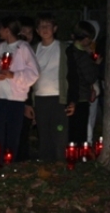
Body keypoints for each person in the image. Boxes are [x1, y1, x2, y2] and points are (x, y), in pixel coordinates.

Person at [0, 15, 40, 162]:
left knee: (13, 135)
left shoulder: (24, 48)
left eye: (0, 28)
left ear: (7, 30)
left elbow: (34, 72)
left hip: (15, 99)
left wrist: (13, 75)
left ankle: (11, 162)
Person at [28, 13, 71, 162]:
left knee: (60, 134)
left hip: (59, 98)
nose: (45, 29)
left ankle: (61, 164)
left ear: (55, 28)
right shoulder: (33, 50)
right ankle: (45, 165)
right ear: (37, 31)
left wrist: (72, 99)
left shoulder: (64, 48)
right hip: (40, 99)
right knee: (44, 135)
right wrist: (30, 103)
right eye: (41, 26)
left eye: (48, 25)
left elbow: (73, 75)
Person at [66, 21, 100, 145]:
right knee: (80, 132)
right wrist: (96, 65)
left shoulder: (68, 51)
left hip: (69, 95)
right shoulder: (82, 56)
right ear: (85, 39)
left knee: (71, 130)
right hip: (81, 97)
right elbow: (90, 77)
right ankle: (79, 152)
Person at [17, 16, 37, 161]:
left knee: (24, 132)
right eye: (24, 31)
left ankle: (22, 159)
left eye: (30, 32)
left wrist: (30, 103)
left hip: (27, 99)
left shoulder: (33, 51)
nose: (27, 35)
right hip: (14, 99)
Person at [84, 19, 103, 143]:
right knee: (85, 115)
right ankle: (86, 141)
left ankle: (89, 141)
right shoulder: (79, 49)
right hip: (84, 86)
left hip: (94, 86)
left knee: (91, 115)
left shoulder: (97, 47)